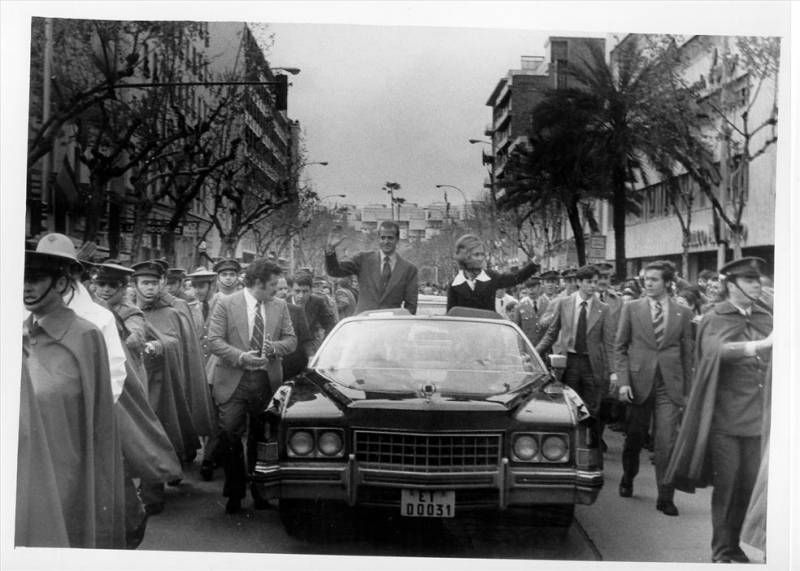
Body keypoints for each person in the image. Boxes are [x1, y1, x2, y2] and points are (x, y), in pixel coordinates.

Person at [665, 257, 772, 564]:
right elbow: (715, 352)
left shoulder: (766, 317)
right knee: (727, 484)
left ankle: (734, 544)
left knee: (749, 485)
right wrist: (759, 346)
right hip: (725, 419)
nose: (757, 285)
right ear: (731, 284)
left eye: (757, 280)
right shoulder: (715, 317)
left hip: (759, 418)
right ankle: (721, 549)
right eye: (750, 281)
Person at [17, 248, 126, 548]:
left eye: (36, 278)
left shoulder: (86, 335)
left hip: (66, 467)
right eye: (21, 277)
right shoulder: (18, 334)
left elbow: (101, 419)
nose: (26, 286)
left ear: (62, 284)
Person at [207, 259, 297, 514]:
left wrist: (275, 348)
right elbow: (214, 341)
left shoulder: (279, 306)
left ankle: (260, 491)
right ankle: (234, 492)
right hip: (233, 379)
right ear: (258, 283)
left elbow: (291, 340)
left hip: (265, 381)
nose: (277, 289)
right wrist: (240, 357)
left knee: (261, 437)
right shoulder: (226, 303)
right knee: (229, 434)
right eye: (272, 285)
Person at [614, 261, 694, 517]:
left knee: (666, 442)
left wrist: (688, 392)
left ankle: (665, 496)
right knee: (635, 437)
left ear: (667, 282)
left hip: (669, 385)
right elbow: (620, 347)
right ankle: (628, 476)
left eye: (654, 279)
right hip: (638, 383)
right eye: (645, 279)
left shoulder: (683, 312)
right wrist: (624, 382)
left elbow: (687, 354)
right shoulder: (632, 308)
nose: (647, 283)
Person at [535, 265, 616, 423]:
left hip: (591, 364)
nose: (593, 285)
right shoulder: (564, 303)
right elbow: (551, 333)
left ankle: (593, 443)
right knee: (570, 403)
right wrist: (535, 353)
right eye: (588, 282)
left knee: (591, 406)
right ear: (579, 282)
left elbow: (609, 343)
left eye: (595, 282)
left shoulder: (603, 309)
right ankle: (574, 444)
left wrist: (613, 372)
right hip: (569, 361)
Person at [325, 220, 419, 314]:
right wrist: (330, 250)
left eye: (390, 238)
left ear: (397, 239)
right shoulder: (362, 259)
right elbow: (335, 271)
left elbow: (411, 307)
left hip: (391, 326)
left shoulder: (409, 270)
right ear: (378, 239)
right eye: (383, 238)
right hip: (364, 324)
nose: (386, 242)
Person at [446, 234, 539, 312]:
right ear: (464, 257)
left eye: (482, 254)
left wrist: (534, 263)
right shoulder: (454, 285)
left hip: (489, 331)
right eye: (476, 255)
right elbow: (451, 318)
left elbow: (516, 278)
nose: (480, 258)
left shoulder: (491, 277)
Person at [289, 272, 338, 353]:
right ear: (291, 290)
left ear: (311, 290)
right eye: (297, 291)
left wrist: (324, 344)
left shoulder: (318, 302)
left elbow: (331, 324)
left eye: (305, 291)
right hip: (288, 352)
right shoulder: (283, 303)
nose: (301, 295)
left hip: (309, 350)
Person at [276, 275, 314, 379]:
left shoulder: (296, 310)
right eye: (279, 289)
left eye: (285, 289)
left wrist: (311, 358)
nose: (284, 292)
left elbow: (306, 339)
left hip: (293, 365)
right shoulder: (261, 311)